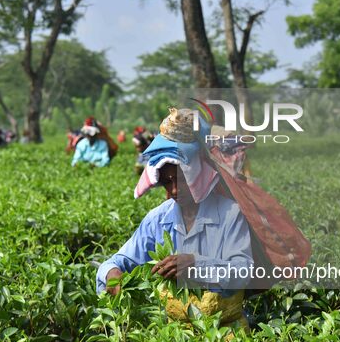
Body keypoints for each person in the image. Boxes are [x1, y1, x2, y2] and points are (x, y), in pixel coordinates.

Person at [96, 108, 253, 328]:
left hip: (225, 330)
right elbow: (120, 261)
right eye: (167, 182)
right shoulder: (158, 219)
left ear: (198, 173)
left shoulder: (229, 213)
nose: (174, 190)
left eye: (180, 179)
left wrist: (196, 264)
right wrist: (113, 274)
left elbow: (243, 270)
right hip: (174, 333)